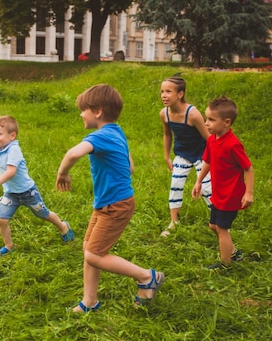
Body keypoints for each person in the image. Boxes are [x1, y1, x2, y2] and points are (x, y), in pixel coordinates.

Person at [56, 84, 164, 312]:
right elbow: (130, 166)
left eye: (83, 109)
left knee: (94, 255)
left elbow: (73, 153)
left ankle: (146, 277)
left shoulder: (100, 135)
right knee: (89, 249)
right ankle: (89, 301)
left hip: (115, 205)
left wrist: (63, 173)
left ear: (98, 111)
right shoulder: (116, 131)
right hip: (107, 203)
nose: (80, 114)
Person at [0, 111, 74, 256]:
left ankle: (63, 227)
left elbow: (11, 171)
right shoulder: (0, 147)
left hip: (28, 192)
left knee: (43, 214)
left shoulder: (14, 150)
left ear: (12, 136)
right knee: (1, 219)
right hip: (11, 194)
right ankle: (9, 245)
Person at [192, 96, 254, 270]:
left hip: (231, 195)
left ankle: (225, 264)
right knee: (214, 226)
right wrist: (198, 181)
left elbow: (248, 168)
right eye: (206, 118)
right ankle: (233, 252)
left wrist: (248, 193)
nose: (206, 123)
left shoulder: (233, 145)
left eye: (211, 120)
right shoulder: (212, 140)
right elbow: (208, 162)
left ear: (227, 122)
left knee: (222, 228)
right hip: (218, 192)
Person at [160, 75, 212, 236]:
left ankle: (217, 220)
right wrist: (167, 156)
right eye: (162, 91)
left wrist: (213, 159)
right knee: (175, 185)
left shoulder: (193, 114)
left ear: (180, 94)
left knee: (207, 188)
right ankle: (174, 221)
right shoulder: (164, 114)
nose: (163, 95)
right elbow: (167, 135)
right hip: (182, 154)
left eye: (168, 91)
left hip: (201, 154)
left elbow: (209, 139)